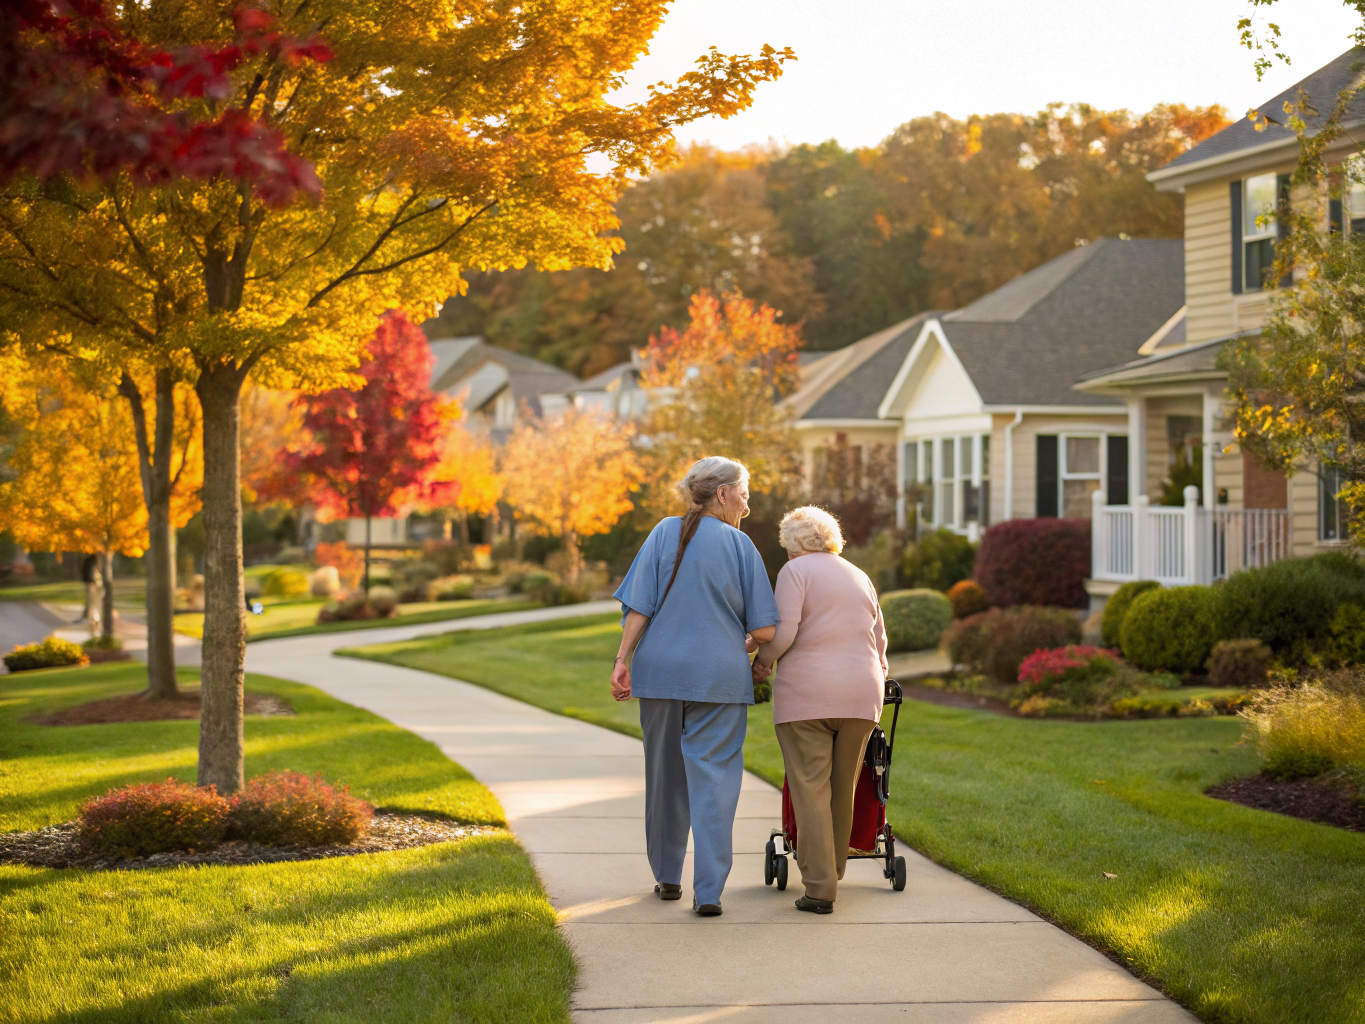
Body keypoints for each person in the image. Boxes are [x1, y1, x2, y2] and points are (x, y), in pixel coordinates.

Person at [611, 456, 779, 917]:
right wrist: (739, 641)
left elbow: (638, 608)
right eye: (745, 490)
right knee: (715, 784)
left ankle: (667, 877)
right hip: (719, 678)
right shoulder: (741, 547)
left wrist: (622, 661)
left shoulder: (663, 532)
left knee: (664, 778)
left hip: (660, 673)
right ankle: (709, 893)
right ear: (723, 493)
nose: (748, 500)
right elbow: (765, 631)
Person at [752, 506, 887, 915]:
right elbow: (879, 642)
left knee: (810, 787)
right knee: (842, 787)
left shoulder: (796, 572)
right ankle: (835, 869)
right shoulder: (858, 575)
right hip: (863, 695)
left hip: (808, 696)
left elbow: (785, 631)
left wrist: (762, 662)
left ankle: (819, 888)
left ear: (794, 546)